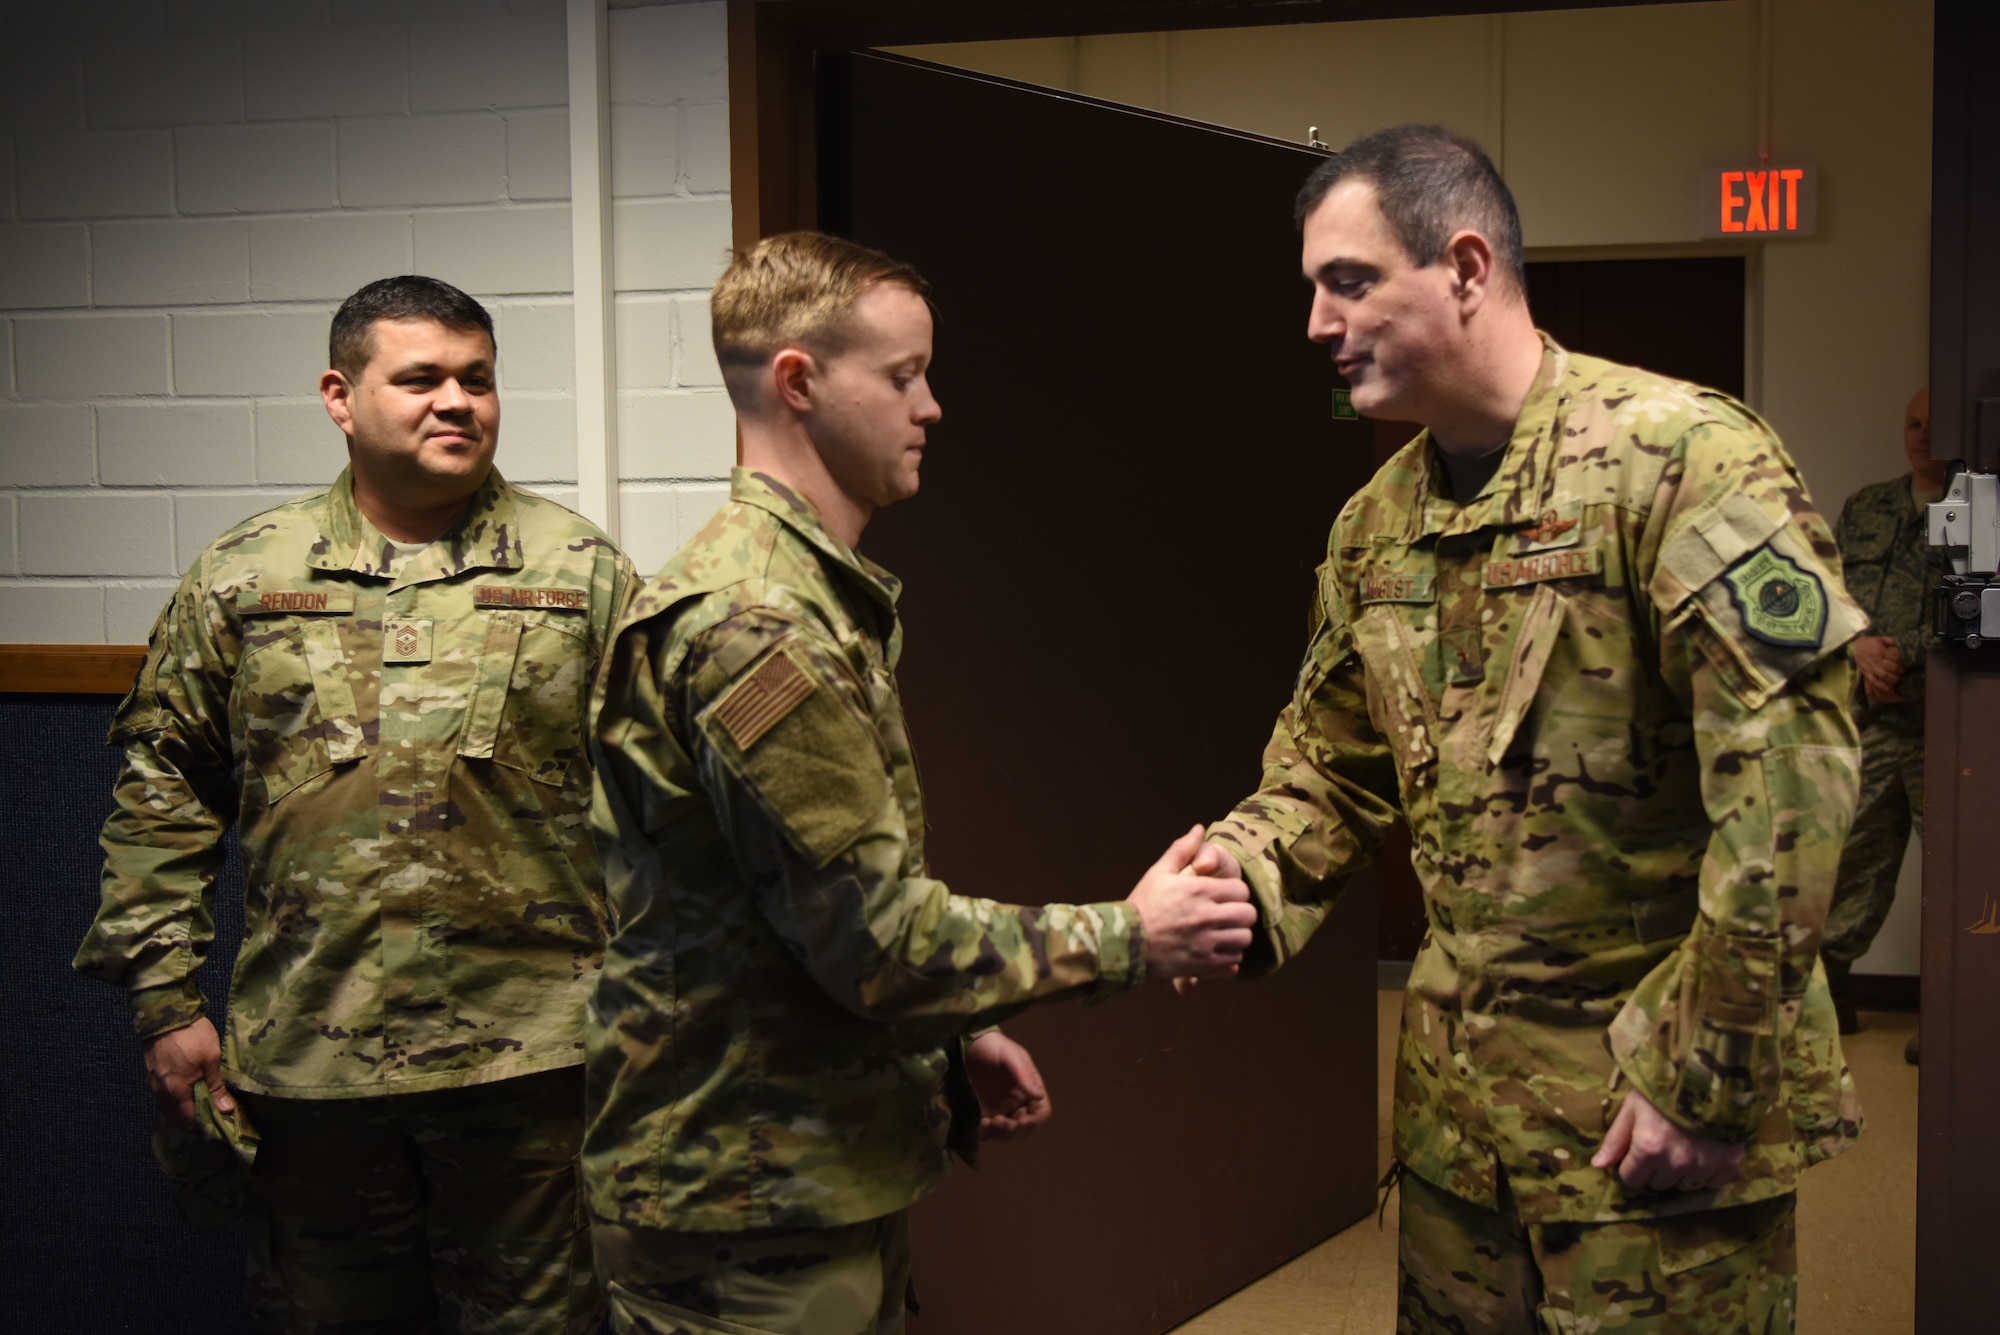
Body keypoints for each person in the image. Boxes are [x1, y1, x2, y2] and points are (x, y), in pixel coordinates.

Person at [1191, 126, 1866, 1333]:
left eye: (1346, 283)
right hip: (1463, 1137)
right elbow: (1328, 771)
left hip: (1648, 1127)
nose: (1313, 324)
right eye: (1309, 290)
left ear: (1462, 266)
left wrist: (1701, 1078)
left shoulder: (1678, 463)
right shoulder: (1375, 525)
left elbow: (1791, 791)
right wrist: (1232, 875)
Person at [585, 232, 1257, 1335]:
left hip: (800, 1166)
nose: (931, 406)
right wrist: (1137, 932)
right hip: (744, 1205)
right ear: (798, 382)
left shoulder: (805, 598)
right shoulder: (760, 628)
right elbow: (881, 946)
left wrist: (946, 1037)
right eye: (902, 376)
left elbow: (790, 913)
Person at [74, 275, 635, 1333]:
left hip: (532, 1064)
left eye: (477, 378)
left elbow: (666, 812)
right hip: (313, 1060)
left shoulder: (581, 572)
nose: (456, 401)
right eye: (420, 378)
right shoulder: (247, 576)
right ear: (341, 395)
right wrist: (165, 1004)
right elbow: (164, 790)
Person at [1821, 387, 1939, 1058]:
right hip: (1871, 719)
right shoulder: (1867, 507)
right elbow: (1829, 593)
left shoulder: (1982, 509)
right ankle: (1832, 990)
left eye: (1934, 423)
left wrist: (1906, 654)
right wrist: (1862, 648)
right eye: (1913, 423)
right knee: (1855, 859)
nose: (1922, 435)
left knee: (1957, 872)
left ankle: (1954, 1007)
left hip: (1950, 726)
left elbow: (1985, 602)